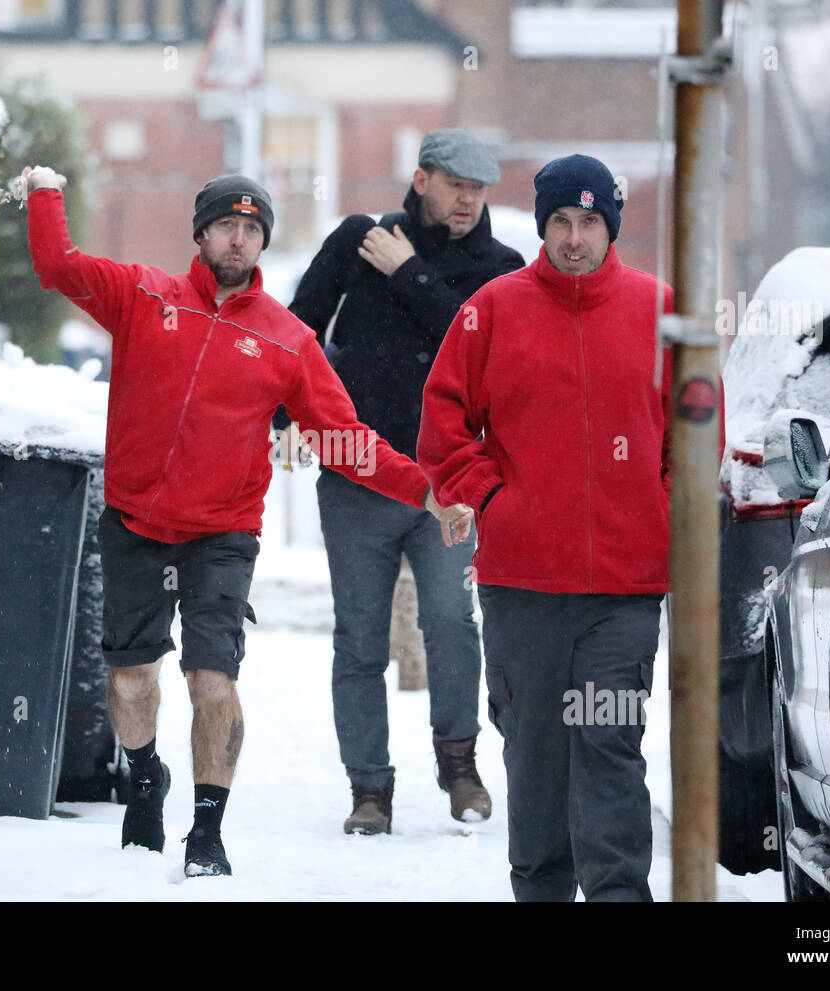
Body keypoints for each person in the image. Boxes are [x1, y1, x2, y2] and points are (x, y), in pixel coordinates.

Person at [21, 166, 473, 878]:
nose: (239, 237)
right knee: (132, 680)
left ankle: (207, 830)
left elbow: (344, 439)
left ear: (262, 242)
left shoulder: (289, 339)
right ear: (200, 232)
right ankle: (144, 778)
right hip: (137, 520)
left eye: (253, 228)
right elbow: (56, 267)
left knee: (211, 680)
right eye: (227, 224)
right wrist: (45, 192)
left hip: (222, 534)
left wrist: (425, 490)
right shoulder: (143, 295)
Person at [418, 154, 672, 901]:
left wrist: (661, 516)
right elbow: (442, 425)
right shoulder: (491, 310)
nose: (573, 237)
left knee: (611, 743)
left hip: (624, 591)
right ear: (541, 226)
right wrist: (493, 500)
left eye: (589, 222)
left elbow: (696, 438)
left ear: (610, 228)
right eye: (560, 221)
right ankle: (542, 889)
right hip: (521, 586)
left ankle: (621, 891)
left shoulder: (660, 312)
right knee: (535, 753)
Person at [278, 129, 524, 835]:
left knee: (450, 621)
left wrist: (412, 272)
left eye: (479, 190)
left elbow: (478, 349)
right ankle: (370, 789)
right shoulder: (359, 240)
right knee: (360, 638)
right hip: (356, 475)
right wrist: (284, 415)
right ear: (421, 180)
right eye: (455, 186)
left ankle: (458, 763)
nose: (467, 201)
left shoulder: (498, 265)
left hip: (447, 482)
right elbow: (297, 331)